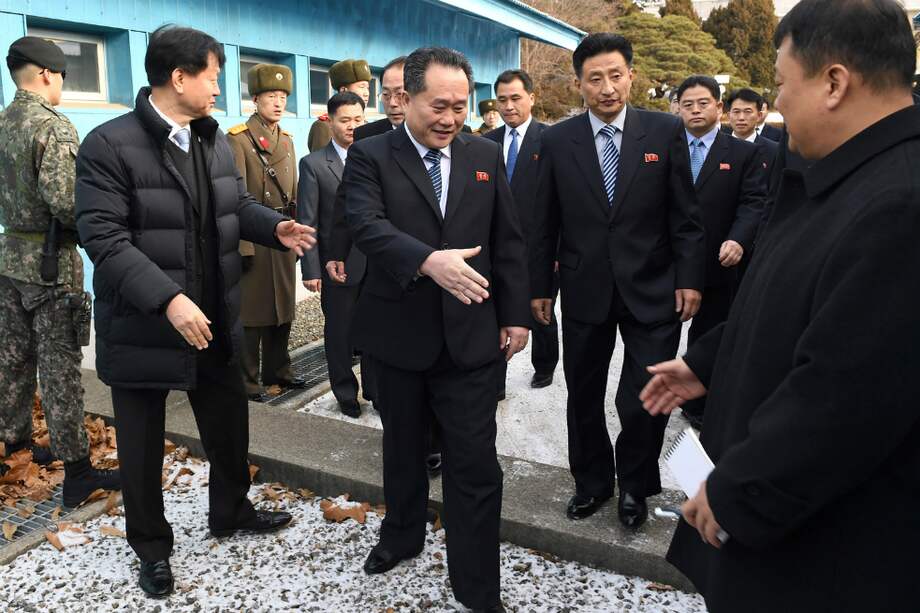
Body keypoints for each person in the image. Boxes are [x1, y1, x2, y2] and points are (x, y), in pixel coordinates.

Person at [640, 1, 920, 610]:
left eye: (780, 85)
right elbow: (787, 300)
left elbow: (845, 395)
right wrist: (706, 362)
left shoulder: (900, 202)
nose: (776, 105)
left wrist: (739, 489)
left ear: (834, 82)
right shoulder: (839, 175)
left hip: (829, 554)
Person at [74, 25, 316, 598]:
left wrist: (275, 227)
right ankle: (152, 549)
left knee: (229, 421)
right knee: (140, 442)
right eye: (212, 76)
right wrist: (167, 298)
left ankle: (230, 510)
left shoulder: (209, 138)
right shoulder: (108, 145)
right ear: (178, 77)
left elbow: (236, 204)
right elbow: (104, 238)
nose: (218, 89)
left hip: (211, 318)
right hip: (143, 324)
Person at [343, 46, 529, 612]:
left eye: (460, 106)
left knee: (475, 464)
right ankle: (402, 534)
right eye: (438, 106)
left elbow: (508, 240)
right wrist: (429, 260)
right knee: (401, 447)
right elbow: (365, 225)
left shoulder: (483, 154)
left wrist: (516, 315)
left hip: (470, 337)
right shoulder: (371, 156)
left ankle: (477, 588)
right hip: (397, 336)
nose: (449, 118)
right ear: (405, 99)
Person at [531, 33, 705, 529]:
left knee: (643, 395)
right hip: (586, 289)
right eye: (594, 79)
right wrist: (540, 287)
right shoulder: (556, 140)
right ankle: (591, 483)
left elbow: (685, 216)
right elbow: (543, 223)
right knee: (583, 392)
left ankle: (634, 485)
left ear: (631, 75)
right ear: (579, 83)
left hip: (653, 287)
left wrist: (689, 276)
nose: (607, 88)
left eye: (615, 75)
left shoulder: (665, 131)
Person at [0, 36, 120, 507]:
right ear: (48, 74)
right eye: (62, 77)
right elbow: (66, 202)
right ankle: (77, 471)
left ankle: (16, 449)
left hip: (10, 258)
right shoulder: (52, 126)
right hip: (51, 265)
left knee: (12, 359)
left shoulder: (5, 121)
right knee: (60, 368)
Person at [674, 75, 766, 429]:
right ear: (678, 109)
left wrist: (739, 239)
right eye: (688, 104)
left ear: (719, 108)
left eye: (703, 103)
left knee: (709, 333)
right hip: (671, 263)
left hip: (719, 261)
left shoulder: (744, 152)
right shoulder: (665, 147)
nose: (695, 110)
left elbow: (754, 202)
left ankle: (698, 404)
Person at [226, 63, 305, 402]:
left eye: (283, 96)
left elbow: (295, 193)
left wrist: (300, 238)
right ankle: (247, 379)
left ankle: (279, 370)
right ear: (255, 99)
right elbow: (234, 198)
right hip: (257, 235)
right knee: (253, 315)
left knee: (283, 309)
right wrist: (243, 246)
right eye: (271, 96)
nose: (278, 102)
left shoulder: (286, 140)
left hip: (284, 233)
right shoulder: (238, 139)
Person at [483, 69, 555, 395]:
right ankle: (496, 378)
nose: (509, 106)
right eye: (502, 99)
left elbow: (564, 200)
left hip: (540, 246)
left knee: (541, 313)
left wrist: (557, 251)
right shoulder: (485, 143)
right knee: (496, 311)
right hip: (496, 247)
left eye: (516, 98)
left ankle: (545, 367)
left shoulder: (551, 140)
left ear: (531, 98)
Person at [297, 92, 368, 418]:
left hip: (375, 263)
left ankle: (377, 391)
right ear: (330, 121)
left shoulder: (374, 155)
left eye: (358, 119)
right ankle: (345, 393)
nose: (352, 126)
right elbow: (307, 220)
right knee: (338, 334)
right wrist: (310, 269)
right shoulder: (314, 164)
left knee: (376, 332)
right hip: (335, 265)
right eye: (345, 120)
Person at [307, 59, 371, 152]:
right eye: (361, 87)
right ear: (343, 90)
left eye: (367, 88)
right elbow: (321, 163)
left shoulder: (366, 125)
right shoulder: (324, 126)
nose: (366, 93)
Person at [725, 88, 779, 178]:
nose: (741, 117)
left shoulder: (774, 151)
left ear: (759, 116)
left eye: (747, 112)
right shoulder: (715, 147)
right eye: (736, 112)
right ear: (728, 116)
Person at [354, 56, 406, 140]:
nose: (392, 103)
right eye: (386, 94)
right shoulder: (364, 136)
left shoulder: (433, 135)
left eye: (399, 94)